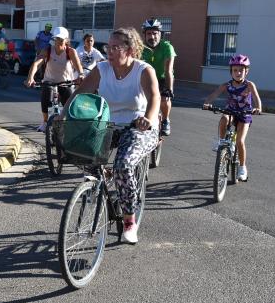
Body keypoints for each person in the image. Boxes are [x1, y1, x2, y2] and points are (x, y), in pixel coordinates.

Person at [60, 27, 160, 244]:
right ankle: (103, 177)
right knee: (82, 153)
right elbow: (81, 93)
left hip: (138, 126)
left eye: (115, 47)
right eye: (108, 47)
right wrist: (63, 114)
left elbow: (154, 98)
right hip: (109, 124)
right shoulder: (102, 68)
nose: (109, 51)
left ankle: (129, 221)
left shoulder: (143, 70)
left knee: (123, 165)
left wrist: (148, 119)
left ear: (130, 50)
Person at [203, 54, 262, 181]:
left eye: (241, 70)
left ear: (247, 71)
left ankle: (242, 168)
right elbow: (214, 94)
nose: (238, 73)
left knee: (240, 141)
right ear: (231, 71)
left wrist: (258, 108)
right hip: (231, 112)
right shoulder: (227, 85)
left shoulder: (249, 85)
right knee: (224, 118)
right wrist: (207, 103)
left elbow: (257, 98)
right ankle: (221, 141)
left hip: (244, 114)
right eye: (235, 70)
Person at [25, 26, 84, 132]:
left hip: (66, 82)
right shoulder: (48, 50)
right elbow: (37, 64)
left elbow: (77, 64)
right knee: (45, 96)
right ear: (54, 39)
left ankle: (70, 124)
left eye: (61, 39)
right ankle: (45, 121)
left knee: (70, 103)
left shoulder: (70, 51)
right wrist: (30, 78)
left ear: (66, 40)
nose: (59, 41)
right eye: (57, 39)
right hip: (50, 81)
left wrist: (81, 75)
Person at [141, 18, 176, 136]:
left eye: (155, 33)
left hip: (162, 78)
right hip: (146, 79)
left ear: (160, 34)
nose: (152, 37)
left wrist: (169, 89)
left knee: (165, 99)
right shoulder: (140, 48)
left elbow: (168, 70)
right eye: (149, 34)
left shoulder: (167, 47)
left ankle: (166, 120)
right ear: (144, 35)